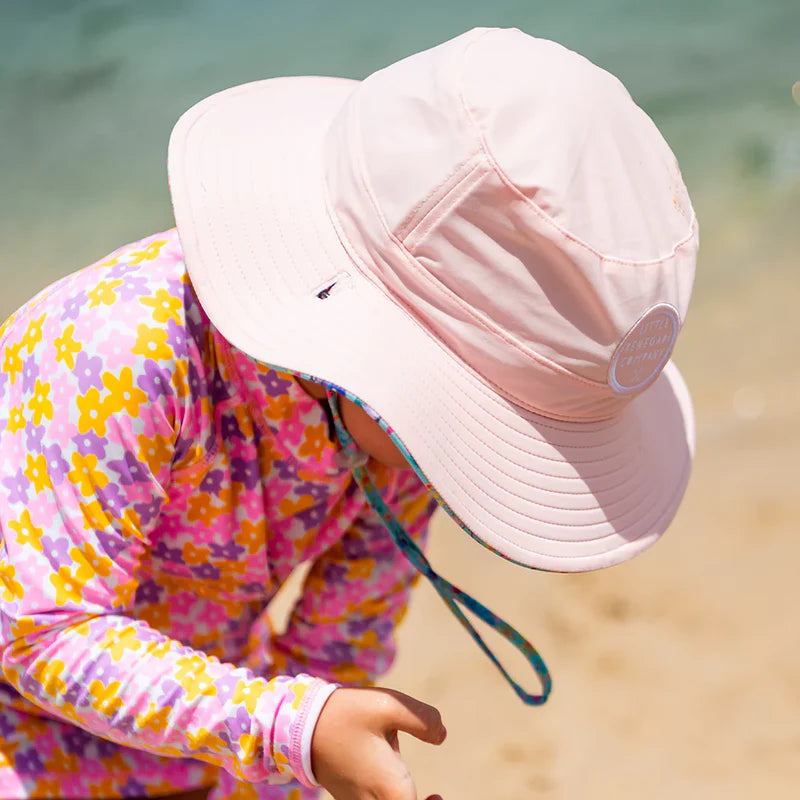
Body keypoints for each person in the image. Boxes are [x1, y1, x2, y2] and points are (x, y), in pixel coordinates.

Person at [0, 26, 698, 800]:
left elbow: (335, 656)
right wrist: (282, 728)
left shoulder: (398, 448)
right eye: (489, 423)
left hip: (195, 736)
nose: (471, 455)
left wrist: (307, 760)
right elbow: (40, 630)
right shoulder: (122, 352)